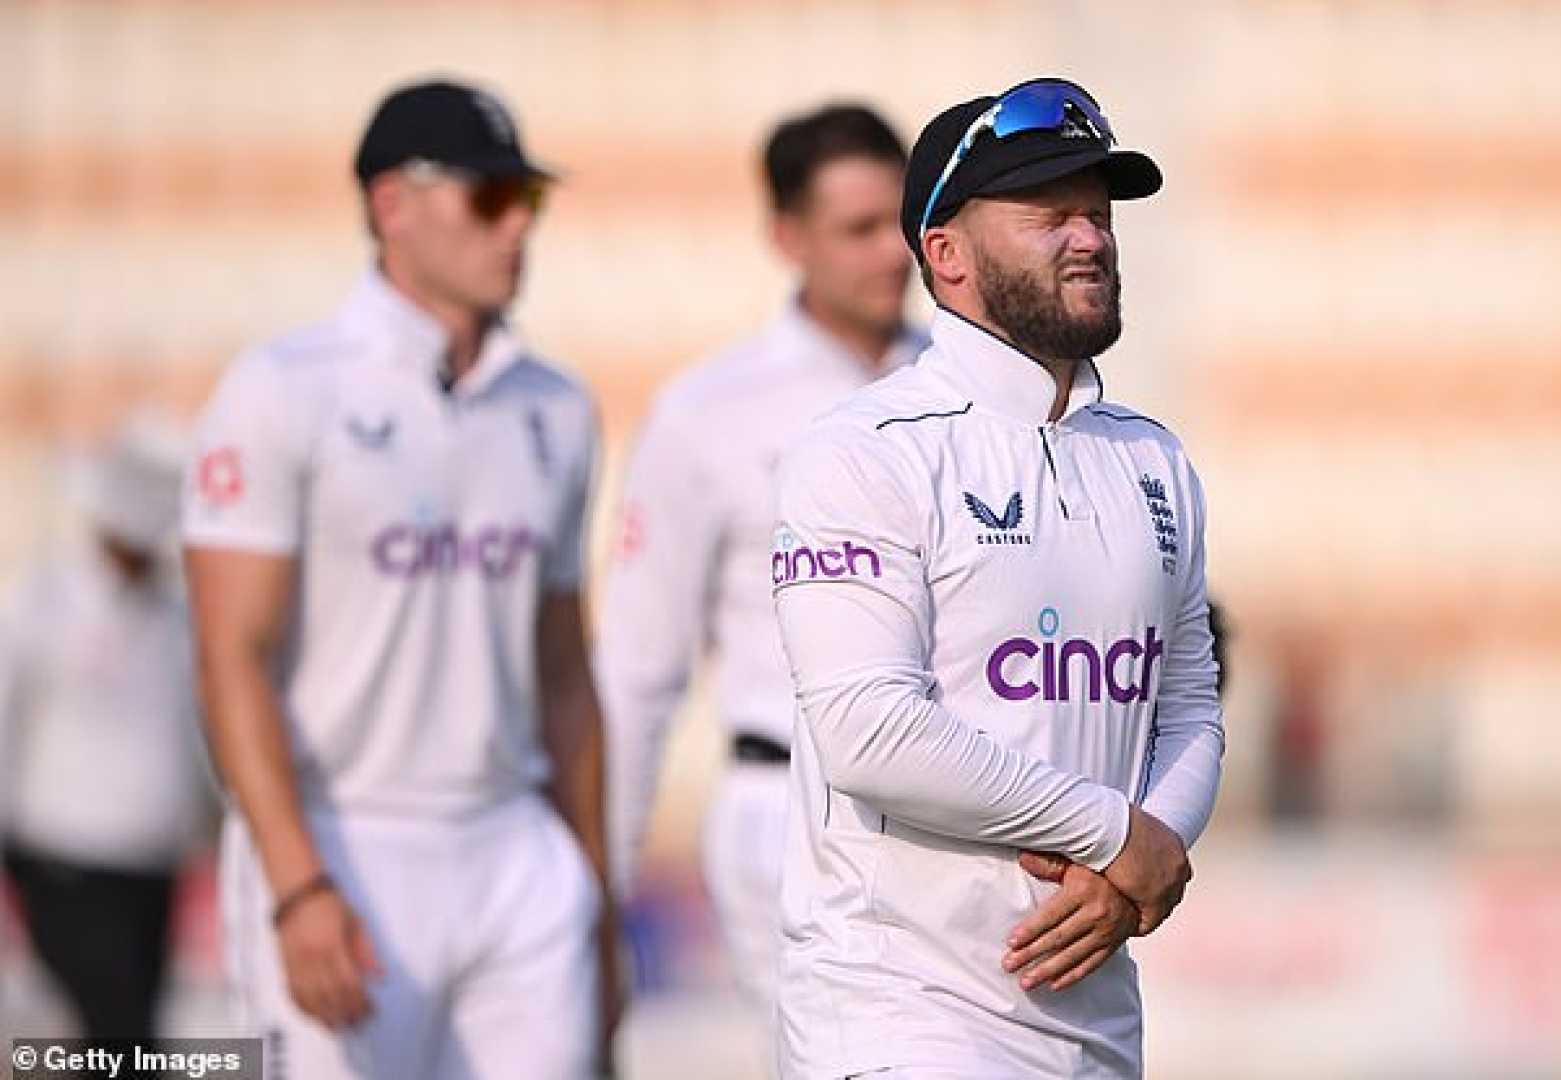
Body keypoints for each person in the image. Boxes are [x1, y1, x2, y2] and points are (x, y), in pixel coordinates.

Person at [770, 78, 1225, 1078]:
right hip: (898, 1011)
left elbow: (1188, 700)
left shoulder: (1152, 459)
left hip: (1090, 1016)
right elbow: (869, 731)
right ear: (946, 254)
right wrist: (1115, 834)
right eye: (1048, 214)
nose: (1091, 239)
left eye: (1099, 216)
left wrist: (1139, 857)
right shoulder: (863, 451)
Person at [182, 79, 617, 1079]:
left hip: (512, 845)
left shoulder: (554, 407)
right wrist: (298, 886)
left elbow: (562, 671)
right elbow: (227, 658)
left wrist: (590, 895)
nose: (517, 230)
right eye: (489, 199)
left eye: (529, 203)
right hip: (344, 842)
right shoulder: (285, 388)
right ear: (391, 205)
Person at [597, 104, 923, 1017]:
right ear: (786, 236)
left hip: (953, 816)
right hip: (788, 813)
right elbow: (636, 671)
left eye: (898, 224)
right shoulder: (706, 413)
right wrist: (596, 891)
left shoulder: (968, 390)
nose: (890, 254)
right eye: (856, 229)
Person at [1, 412, 214, 1041]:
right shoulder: (41, 600)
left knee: (127, 1031)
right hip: (63, 856)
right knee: (116, 1032)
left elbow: (195, 736)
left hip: (152, 862)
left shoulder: (180, 618)